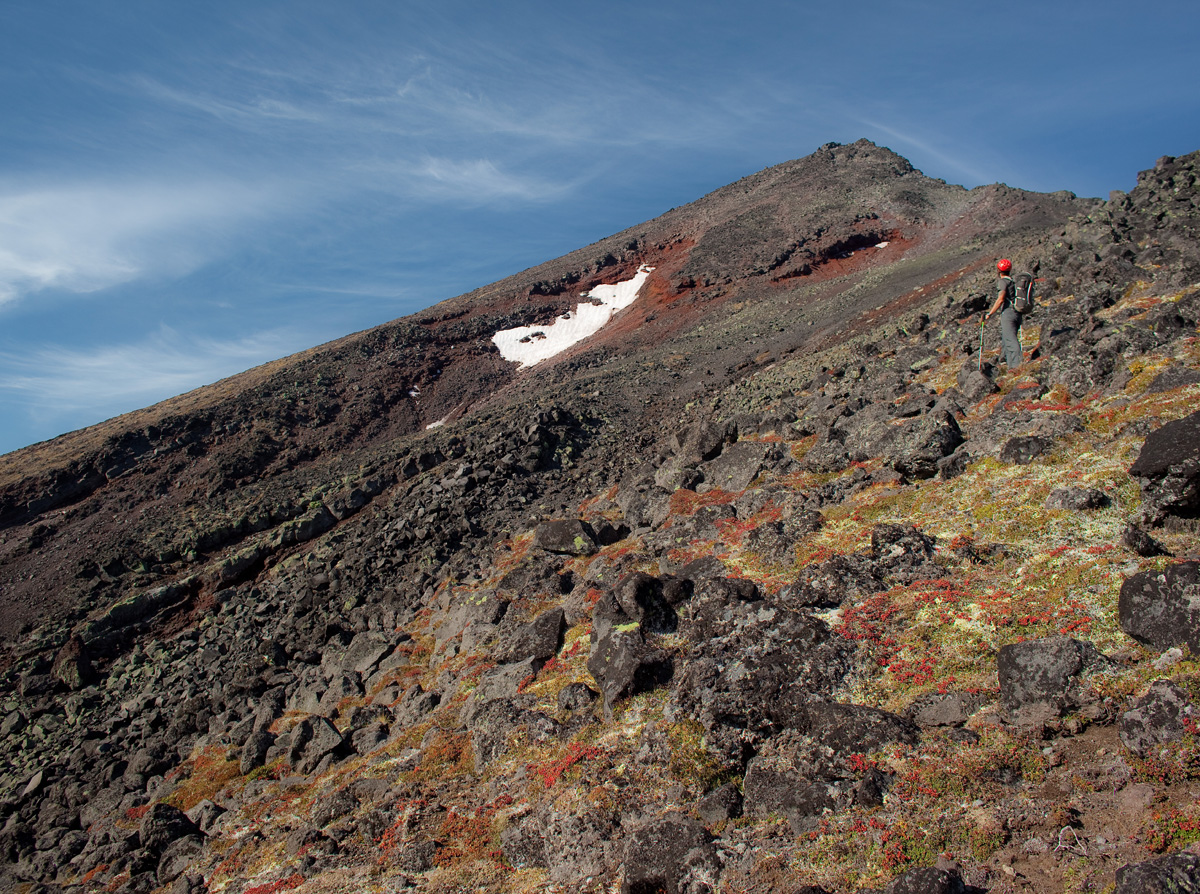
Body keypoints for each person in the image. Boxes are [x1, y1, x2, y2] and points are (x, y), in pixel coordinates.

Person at [986, 258, 1023, 369]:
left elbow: (1001, 299)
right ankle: (1010, 365)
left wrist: (990, 313)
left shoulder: (1003, 282)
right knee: (1007, 339)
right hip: (1017, 313)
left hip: (1008, 313)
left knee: (1010, 339)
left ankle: (1017, 365)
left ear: (998, 270)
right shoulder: (1013, 282)